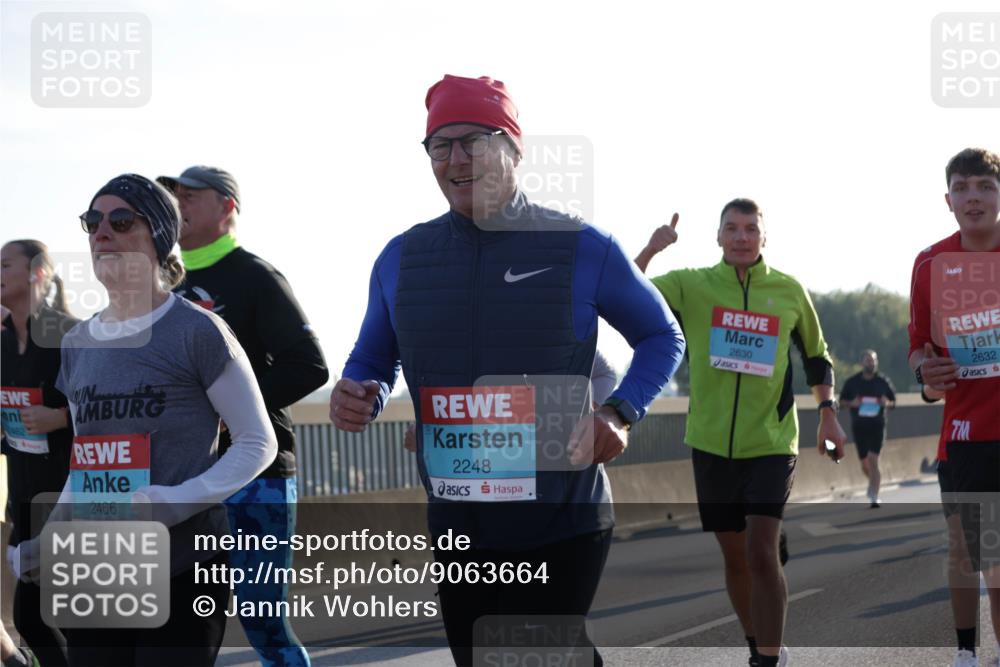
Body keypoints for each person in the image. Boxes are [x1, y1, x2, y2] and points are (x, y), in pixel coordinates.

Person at [329, 74, 685, 667]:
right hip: (458, 517)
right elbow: (372, 356)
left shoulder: (583, 246)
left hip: (561, 515)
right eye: (440, 145)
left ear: (515, 148)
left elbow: (661, 335)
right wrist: (360, 390)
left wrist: (619, 412)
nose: (456, 158)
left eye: (474, 139)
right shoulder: (401, 257)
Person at [11, 174, 278, 666]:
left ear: (157, 235)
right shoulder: (77, 342)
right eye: (92, 222)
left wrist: (175, 503)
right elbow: (87, 462)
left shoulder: (196, 330)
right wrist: (49, 538)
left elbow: (257, 441)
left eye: (119, 220)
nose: (100, 233)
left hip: (184, 564)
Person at [637, 200, 847, 667]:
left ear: (763, 238)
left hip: (771, 443)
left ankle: (767, 661)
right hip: (711, 444)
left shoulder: (788, 290)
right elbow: (627, 295)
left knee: (759, 552)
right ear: (718, 237)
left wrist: (828, 413)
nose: (741, 237)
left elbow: (817, 355)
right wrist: (652, 250)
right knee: (736, 559)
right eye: (731, 228)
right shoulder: (693, 284)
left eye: (751, 228)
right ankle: (756, 642)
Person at [157, 165, 327, 667]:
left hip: (256, 474)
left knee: (261, 616)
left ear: (228, 206)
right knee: (177, 617)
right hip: (180, 476)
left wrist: (233, 413)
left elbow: (310, 365)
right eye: (174, 196)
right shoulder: (160, 286)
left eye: (191, 195)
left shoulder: (254, 276)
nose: (179, 203)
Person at [907, 147, 1000, 667]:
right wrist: (926, 373)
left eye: (985, 186)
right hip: (965, 433)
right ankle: (966, 655)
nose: (974, 198)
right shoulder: (931, 263)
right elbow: (919, 346)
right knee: (968, 555)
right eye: (962, 188)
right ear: (948, 200)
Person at [1, 239, 76, 666]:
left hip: (69, 497)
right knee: (33, 618)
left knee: (49, 615)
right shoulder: (2, 344)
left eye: (5, 263)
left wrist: (59, 417)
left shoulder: (71, 335)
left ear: (37, 274)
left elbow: (107, 407)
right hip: (26, 498)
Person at [838, 349, 896, 507]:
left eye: (873, 360)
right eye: (868, 360)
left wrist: (887, 403)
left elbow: (893, 403)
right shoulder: (852, 382)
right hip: (859, 427)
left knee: (873, 459)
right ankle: (873, 482)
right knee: (864, 463)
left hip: (877, 426)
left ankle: (874, 495)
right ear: (861, 362)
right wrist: (852, 403)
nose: (871, 363)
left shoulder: (883, 382)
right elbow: (841, 403)